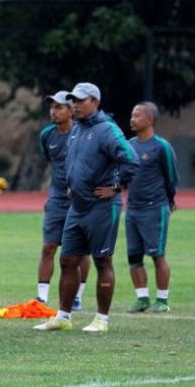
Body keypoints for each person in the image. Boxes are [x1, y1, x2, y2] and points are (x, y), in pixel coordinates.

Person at [34, 82, 138, 333]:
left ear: (95, 102)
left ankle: (102, 318)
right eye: (74, 100)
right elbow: (70, 161)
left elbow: (131, 160)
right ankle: (63, 316)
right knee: (68, 261)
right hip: (76, 206)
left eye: (80, 100)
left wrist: (115, 186)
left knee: (102, 261)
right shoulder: (76, 129)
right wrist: (71, 184)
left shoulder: (107, 130)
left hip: (102, 207)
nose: (75, 105)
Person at [35, 91, 90, 308]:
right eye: (52, 107)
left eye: (59, 107)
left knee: (80, 251)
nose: (53, 112)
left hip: (80, 201)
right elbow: (51, 160)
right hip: (56, 200)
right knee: (48, 247)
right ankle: (41, 297)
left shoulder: (82, 133)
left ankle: (77, 296)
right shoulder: (47, 135)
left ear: (70, 110)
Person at [125, 101, 178, 313]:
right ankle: (142, 299)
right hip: (133, 209)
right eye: (132, 115)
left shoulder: (161, 147)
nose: (132, 119)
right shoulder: (129, 145)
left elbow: (172, 177)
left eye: (137, 115)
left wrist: (169, 200)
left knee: (157, 254)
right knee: (134, 256)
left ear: (150, 120)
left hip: (155, 208)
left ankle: (162, 300)